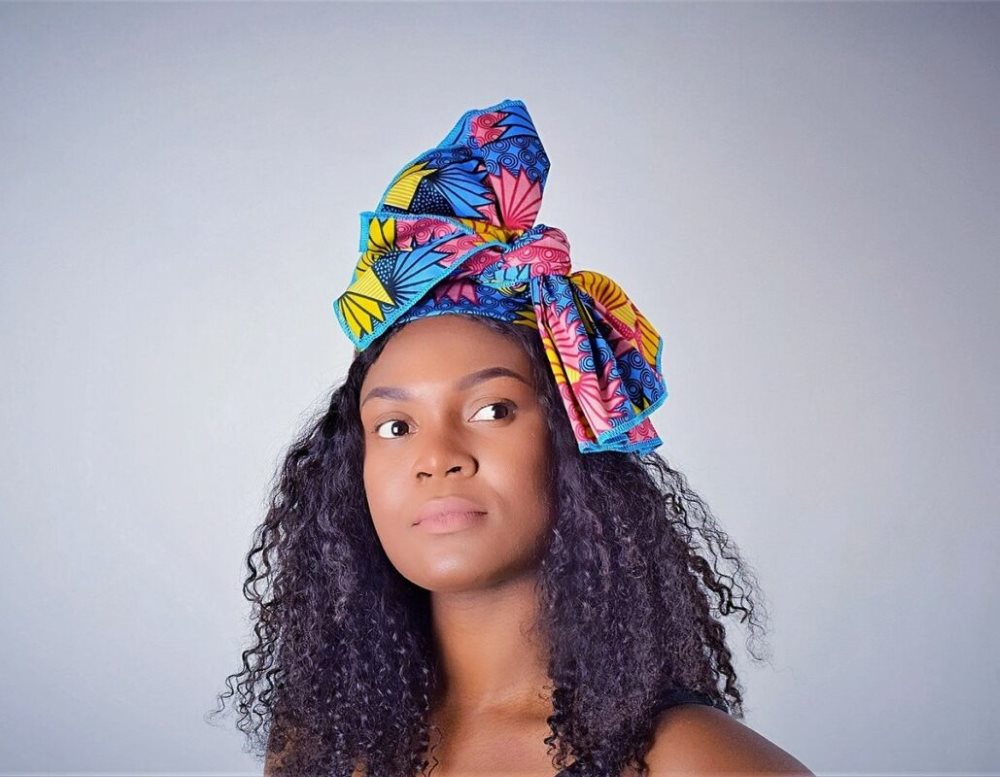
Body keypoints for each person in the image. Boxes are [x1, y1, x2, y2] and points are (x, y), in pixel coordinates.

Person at [210, 99, 813, 776]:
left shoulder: (697, 763)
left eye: (492, 410)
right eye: (395, 426)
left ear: (571, 447)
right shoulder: (320, 747)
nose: (437, 457)